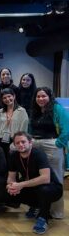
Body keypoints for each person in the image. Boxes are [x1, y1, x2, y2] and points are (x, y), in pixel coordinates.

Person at [7, 132, 63, 235]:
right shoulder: (13, 156)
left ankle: (43, 218)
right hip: (32, 187)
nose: (20, 145)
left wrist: (21, 184)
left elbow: (45, 178)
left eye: (23, 142)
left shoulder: (38, 154)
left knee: (44, 190)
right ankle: (36, 206)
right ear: (14, 145)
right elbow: (11, 177)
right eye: (17, 143)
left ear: (30, 142)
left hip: (52, 188)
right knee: (9, 192)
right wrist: (10, 186)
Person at [29, 87, 69, 219]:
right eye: (38, 96)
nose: (40, 99)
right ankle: (39, 208)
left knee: (56, 178)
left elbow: (66, 128)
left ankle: (56, 212)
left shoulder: (57, 108)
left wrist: (58, 144)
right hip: (35, 144)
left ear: (50, 96)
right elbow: (29, 128)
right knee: (36, 177)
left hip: (52, 144)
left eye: (43, 96)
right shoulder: (34, 110)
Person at [0, 88, 28, 160]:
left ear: (14, 96)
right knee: (0, 163)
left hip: (13, 141)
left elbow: (23, 128)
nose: (7, 99)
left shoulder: (21, 111)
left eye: (9, 96)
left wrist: (17, 142)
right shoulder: (0, 112)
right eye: (4, 98)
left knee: (12, 163)